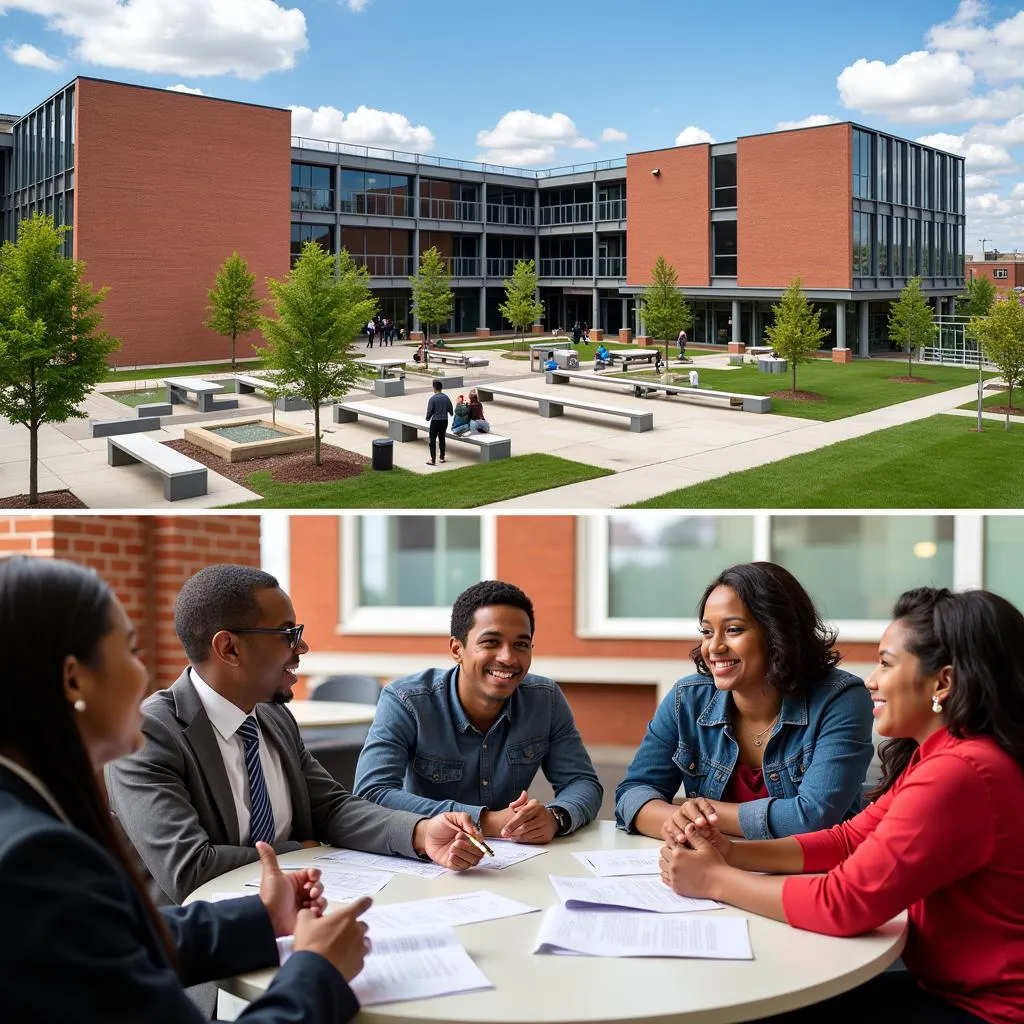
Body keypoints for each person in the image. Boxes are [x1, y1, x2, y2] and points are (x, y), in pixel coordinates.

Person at [0, 556, 377, 1024]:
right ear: (74, 678)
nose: (145, 676)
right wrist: (316, 971)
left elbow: (106, 936)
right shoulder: (33, 858)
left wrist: (261, 918)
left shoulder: (26, 821)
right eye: (132, 651)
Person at [105, 564, 488, 1010]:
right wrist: (304, 850)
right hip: (212, 973)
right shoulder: (150, 734)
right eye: (288, 633)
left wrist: (421, 832)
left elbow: (333, 808)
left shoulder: (272, 716)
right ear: (229, 648)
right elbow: (190, 867)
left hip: (303, 933)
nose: (302, 645)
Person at [659, 587, 1024, 1024]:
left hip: (990, 1009)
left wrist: (715, 879)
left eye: (886, 663)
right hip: (951, 988)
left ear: (942, 683)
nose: (871, 680)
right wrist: (733, 852)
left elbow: (844, 903)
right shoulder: (942, 755)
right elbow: (850, 840)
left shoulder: (961, 771)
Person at [615, 561, 874, 841]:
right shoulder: (687, 699)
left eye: (734, 630)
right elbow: (633, 795)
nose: (714, 647)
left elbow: (812, 818)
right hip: (712, 870)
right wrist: (679, 819)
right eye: (707, 632)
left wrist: (695, 811)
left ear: (777, 634)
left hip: (812, 876)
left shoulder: (841, 698)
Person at [354, 580, 602, 843]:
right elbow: (371, 793)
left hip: (515, 860)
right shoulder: (407, 700)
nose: (508, 657)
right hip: (428, 856)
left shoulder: (545, 699)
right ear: (456, 649)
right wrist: (485, 820)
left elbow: (583, 782)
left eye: (521, 644)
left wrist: (556, 817)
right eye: (491, 642)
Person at [424, 379, 453, 465]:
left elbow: (429, 411)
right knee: (442, 438)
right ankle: (442, 457)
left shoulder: (432, 399)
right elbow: (451, 411)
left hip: (435, 421)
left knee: (432, 440)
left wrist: (427, 418)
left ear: (434, 388)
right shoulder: (446, 398)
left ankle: (433, 459)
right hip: (444, 421)